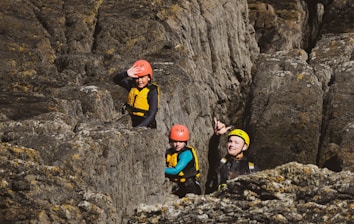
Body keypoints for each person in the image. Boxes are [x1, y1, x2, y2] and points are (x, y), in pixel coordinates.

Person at [205, 118, 257, 193]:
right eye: (230, 141)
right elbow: (212, 151)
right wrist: (217, 135)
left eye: (236, 143)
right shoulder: (220, 163)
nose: (232, 145)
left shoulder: (251, 169)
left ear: (245, 147)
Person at [112, 60, 159, 128]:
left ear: (148, 78)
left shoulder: (152, 92)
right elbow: (116, 79)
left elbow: (151, 115)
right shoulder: (132, 85)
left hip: (146, 124)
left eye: (142, 77)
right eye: (137, 78)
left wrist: (139, 128)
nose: (139, 81)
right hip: (132, 120)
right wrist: (126, 73)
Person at [165, 124, 202, 198]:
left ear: (185, 142)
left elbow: (175, 170)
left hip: (190, 186)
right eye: (175, 141)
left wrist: (159, 170)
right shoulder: (170, 152)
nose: (177, 144)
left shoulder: (186, 154)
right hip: (180, 185)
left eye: (180, 141)